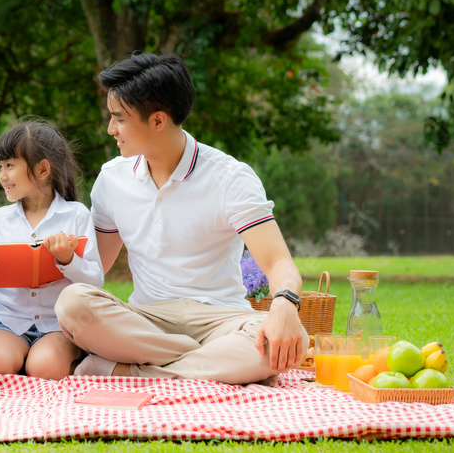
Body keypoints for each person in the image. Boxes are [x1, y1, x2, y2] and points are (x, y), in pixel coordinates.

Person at [55, 52, 308, 385]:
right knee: (72, 304)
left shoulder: (230, 177)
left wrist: (286, 307)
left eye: (119, 118)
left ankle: (128, 371)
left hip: (221, 319)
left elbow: (278, 262)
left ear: (158, 120)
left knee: (292, 342)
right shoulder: (112, 179)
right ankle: (205, 364)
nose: (109, 129)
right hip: (146, 320)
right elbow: (94, 270)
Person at [0, 119, 104, 380]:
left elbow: (95, 282)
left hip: (57, 325)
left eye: (9, 165)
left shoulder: (76, 215)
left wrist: (67, 259)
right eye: (0, 167)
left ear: (42, 170)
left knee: (45, 368)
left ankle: (61, 360)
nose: (2, 176)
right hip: (7, 320)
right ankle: (24, 360)